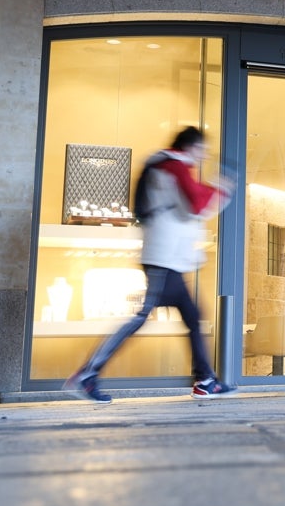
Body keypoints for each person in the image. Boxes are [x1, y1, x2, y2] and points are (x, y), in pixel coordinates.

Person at [65, 126, 237, 403]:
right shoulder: (173, 167)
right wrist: (222, 189)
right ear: (191, 147)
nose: (202, 157)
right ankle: (88, 373)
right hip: (163, 258)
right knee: (142, 316)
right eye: (201, 151)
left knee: (193, 316)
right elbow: (194, 205)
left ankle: (206, 380)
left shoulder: (165, 166)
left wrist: (217, 192)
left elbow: (189, 204)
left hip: (169, 258)